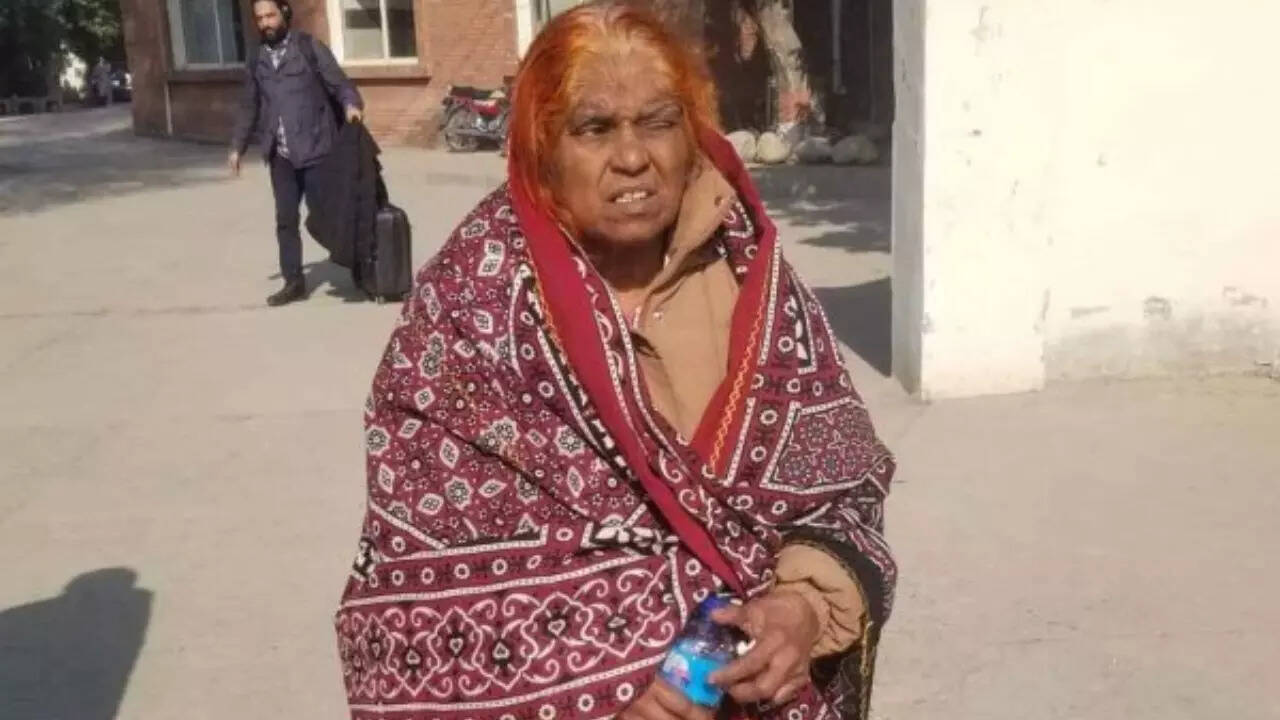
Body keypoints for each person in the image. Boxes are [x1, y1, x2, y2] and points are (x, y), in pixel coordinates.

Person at [334, 3, 897, 719]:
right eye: (594, 128)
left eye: (658, 122)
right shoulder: (467, 310)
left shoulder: (754, 280)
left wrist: (804, 607)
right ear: (542, 148)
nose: (632, 157)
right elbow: (412, 599)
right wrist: (606, 681)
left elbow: (843, 490)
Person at [229, 0, 364, 307]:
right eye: (260, 18)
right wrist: (237, 146)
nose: (265, 23)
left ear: (285, 14)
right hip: (281, 155)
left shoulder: (308, 47)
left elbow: (339, 83)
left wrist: (351, 105)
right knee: (286, 220)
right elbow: (249, 105)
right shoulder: (256, 58)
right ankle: (294, 282)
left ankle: (360, 266)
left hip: (316, 148)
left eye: (270, 15)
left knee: (329, 216)